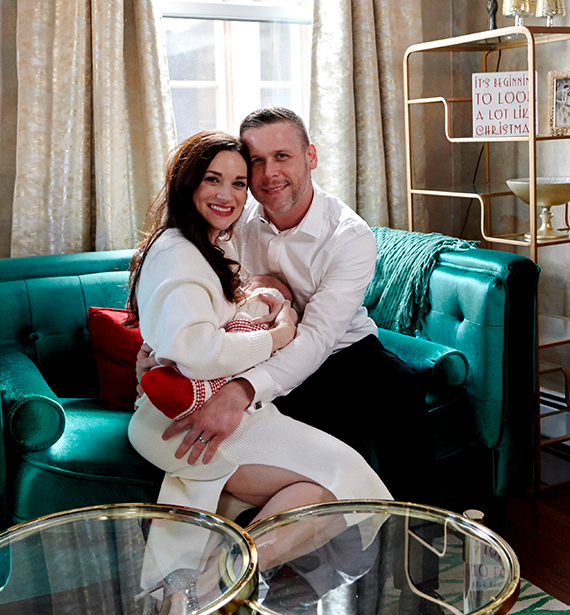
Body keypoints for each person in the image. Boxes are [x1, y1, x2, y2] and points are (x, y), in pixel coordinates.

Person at [160, 107, 434, 504]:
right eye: (257, 161)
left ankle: (418, 531)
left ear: (311, 158)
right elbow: (197, 290)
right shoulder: (232, 213)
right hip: (254, 345)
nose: (269, 173)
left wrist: (242, 391)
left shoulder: (350, 236)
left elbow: (319, 336)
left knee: (401, 389)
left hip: (342, 350)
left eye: (282, 156)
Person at [126, 131, 390, 542]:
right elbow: (199, 352)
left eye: (237, 183)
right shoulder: (178, 250)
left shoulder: (213, 244)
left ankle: (214, 577)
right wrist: (278, 336)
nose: (227, 195)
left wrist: (259, 302)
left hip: (214, 397)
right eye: (212, 179)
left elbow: (206, 326)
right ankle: (222, 587)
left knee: (338, 484)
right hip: (183, 411)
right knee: (338, 486)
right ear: (186, 181)